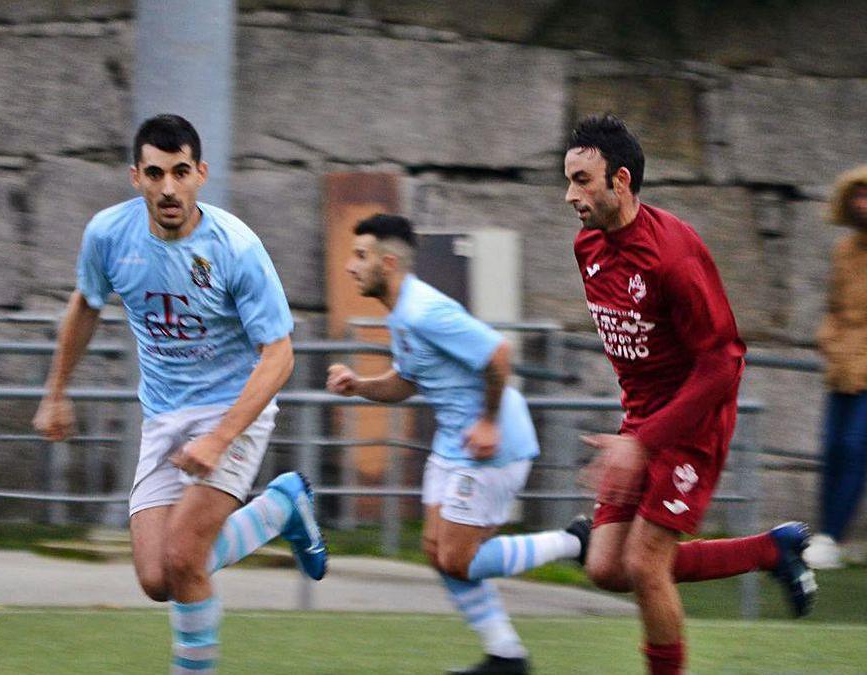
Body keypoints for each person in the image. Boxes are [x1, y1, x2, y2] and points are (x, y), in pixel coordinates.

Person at [33, 114, 326, 675]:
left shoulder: (236, 246)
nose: (169, 187)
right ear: (135, 177)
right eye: (155, 173)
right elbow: (86, 305)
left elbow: (280, 355)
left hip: (234, 411)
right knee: (156, 578)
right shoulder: (108, 235)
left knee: (185, 557)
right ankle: (283, 506)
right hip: (164, 414)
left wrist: (220, 438)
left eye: (181, 172)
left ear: (202, 174)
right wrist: (56, 392)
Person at [564, 113, 818, 675]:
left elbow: (724, 364)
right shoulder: (588, 247)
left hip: (694, 420)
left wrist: (647, 441)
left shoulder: (675, 256)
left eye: (582, 180)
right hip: (642, 424)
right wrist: (635, 436)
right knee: (607, 568)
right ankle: (772, 550)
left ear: (622, 180)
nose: (570, 195)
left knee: (647, 566)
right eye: (569, 179)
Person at [327, 214, 589, 675]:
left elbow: (497, 353)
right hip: (454, 444)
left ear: (388, 263)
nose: (351, 266)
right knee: (437, 551)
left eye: (361, 256)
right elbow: (407, 381)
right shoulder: (403, 314)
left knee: (460, 558)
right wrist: (360, 385)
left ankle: (572, 541)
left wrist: (487, 422)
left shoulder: (425, 311)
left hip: (493, 444)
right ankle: (505, 654)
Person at [808, 165, 867, 569]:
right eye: (857, 197)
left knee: (854, 447)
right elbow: (833, 307)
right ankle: (824, 534)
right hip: (842, 364)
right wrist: (828, 338)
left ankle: (833, 534)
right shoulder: (844, 251)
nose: (862, 204)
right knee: (831, 449)